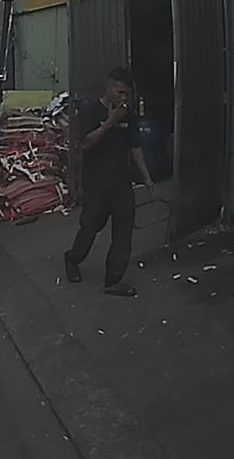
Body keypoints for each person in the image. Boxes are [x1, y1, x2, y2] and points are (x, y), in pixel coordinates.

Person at [64, 67, 156, 296]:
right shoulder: (90, 110)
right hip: (97, 183)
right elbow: (85, 144)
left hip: (121, 183)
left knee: (123, 233)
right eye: (119, 92)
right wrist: (109, 122)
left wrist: (147, 177)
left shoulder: (129, 114)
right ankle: (73, 259)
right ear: (108, 88)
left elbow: (135, 146)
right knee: (90, 226)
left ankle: (113, 280)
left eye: (127, 94)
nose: (123, 98)